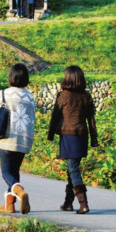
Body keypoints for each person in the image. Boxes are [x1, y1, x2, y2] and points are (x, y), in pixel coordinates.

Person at [0, 63, 35, 215]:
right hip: (24, 140)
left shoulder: (4, 94)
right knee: (14, 171)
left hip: (8, 138)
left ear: (11, 77)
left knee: (6, 172)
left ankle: (19, 192)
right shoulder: (30, 97)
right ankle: (9, 205)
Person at [47, 65, 98, 214]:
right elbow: (91, 120)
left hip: (68, 137)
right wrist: (94, 140)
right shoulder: (86, 96)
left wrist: (50, 135)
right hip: (82, 136)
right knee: (72, 170)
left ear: (67, 78)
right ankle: (68, 203)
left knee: (73, 170)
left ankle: (83, 204)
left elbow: (55, 117)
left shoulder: (63, 95)